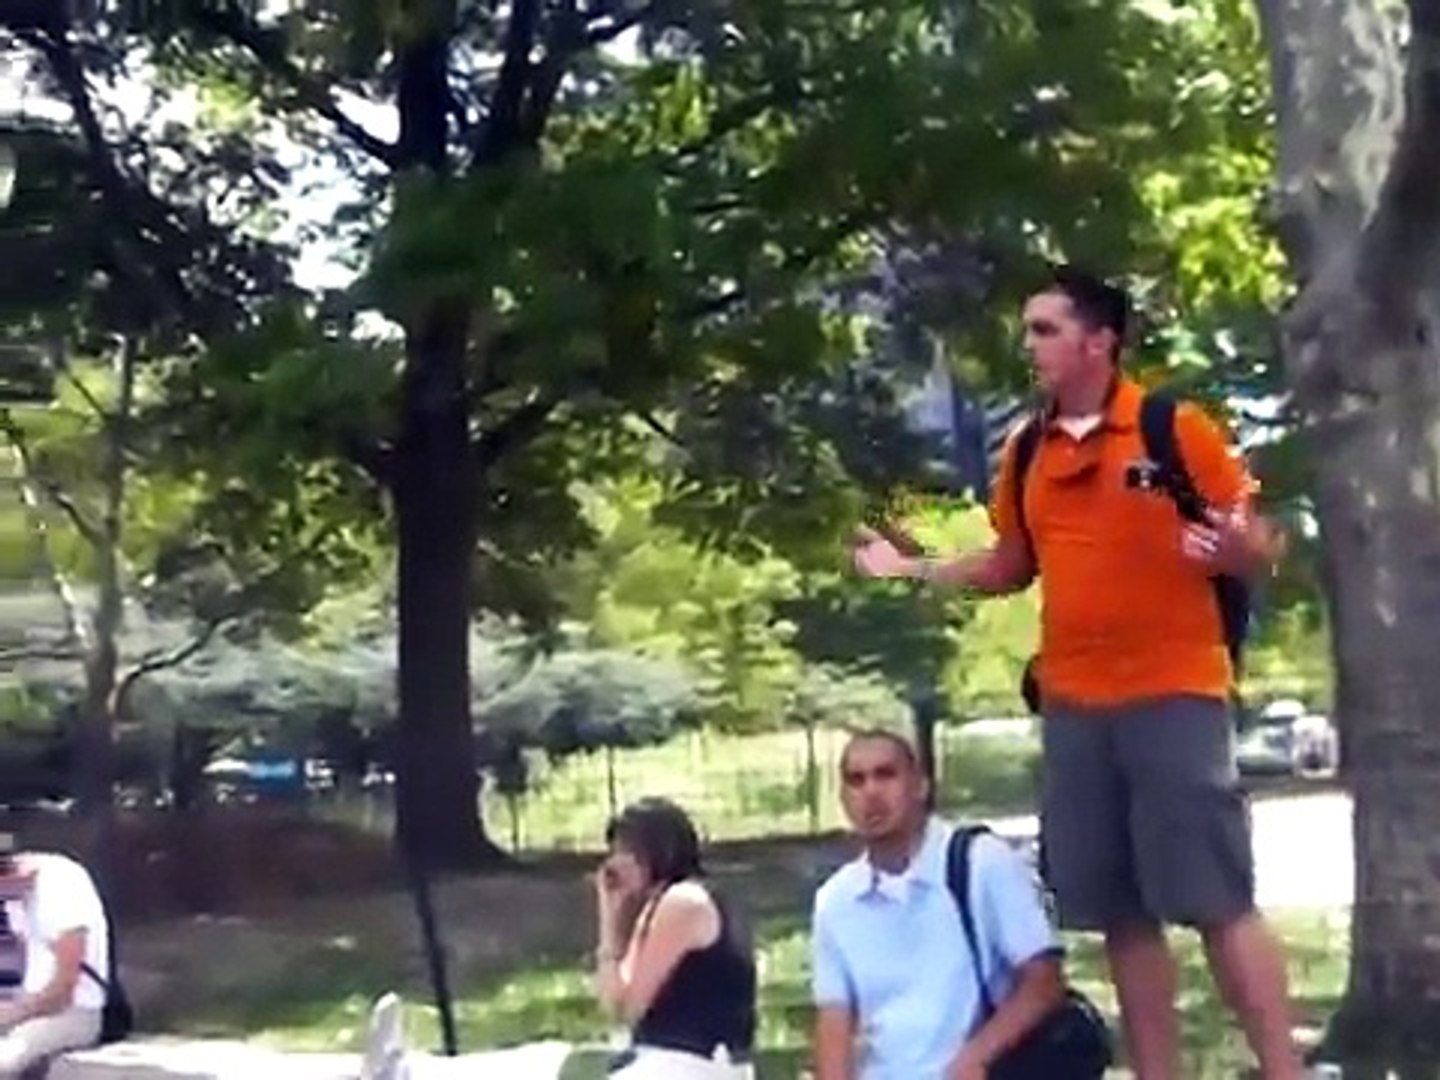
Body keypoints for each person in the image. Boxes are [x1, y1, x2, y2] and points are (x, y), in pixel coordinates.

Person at [852, 265, 1301, 1080]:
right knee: (1120, 913)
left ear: (1100, 341)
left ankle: (1285, 1071)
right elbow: (1009, 564)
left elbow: (1258, 540)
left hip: (1174, 694)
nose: (1032, 345)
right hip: (1073, 706)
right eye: (1029, 330)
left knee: (1216, 900)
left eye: (1047, 329)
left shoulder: (1174, 428)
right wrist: (913, 570)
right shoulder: (1025, 450)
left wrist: (1236, 549)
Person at [811, 728, 1068, 1080]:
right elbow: (834, 1023)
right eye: (856, 781)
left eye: (886, 774)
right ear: (843, 798)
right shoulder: (836, 902)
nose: (871, 791)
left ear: (920, 785)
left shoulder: (980, 862)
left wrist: (976, 1058)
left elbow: (1043, 981)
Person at [591, 797, 756, 1079]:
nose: (615, 863)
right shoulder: (655, 909)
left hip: (694, 1062)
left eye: (625, 852)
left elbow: (632, 1009)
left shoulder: (683, 903)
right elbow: (613, 1003)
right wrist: (610, 915)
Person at [0, 833, 108, 1077]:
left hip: (73, 1013)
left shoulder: (61, 884)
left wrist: (12, 1012)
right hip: (27, 1008)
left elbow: (62, 992)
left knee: (6, 1058)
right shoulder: (15, 894)